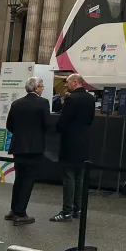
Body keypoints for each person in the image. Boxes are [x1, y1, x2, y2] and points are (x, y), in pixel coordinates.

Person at [5, 76, 50, 225]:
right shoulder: (43, 103)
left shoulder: (16, 103)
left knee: (19, 178)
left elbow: (9, 125)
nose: (42, 89)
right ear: (36, 88)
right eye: (42, 86)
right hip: (34, 147)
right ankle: (21, 213)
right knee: (28, 180)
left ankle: (13, 209)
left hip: (18, 146)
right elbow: (47, 124)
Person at [51, 73, 95, 222]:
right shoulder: (90, 98)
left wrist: (58, 128)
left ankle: (66, 211)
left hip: (70, 142)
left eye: (68, 83)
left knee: (68, 177)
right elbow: (90, 119)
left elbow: (62, 122)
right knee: (79, 177)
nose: (66, 85)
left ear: (75, 83)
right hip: (84, 141)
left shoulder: (71, 99)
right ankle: (79, 209)